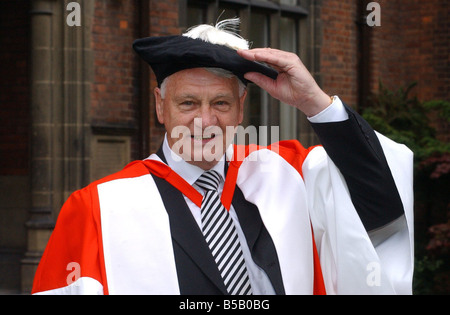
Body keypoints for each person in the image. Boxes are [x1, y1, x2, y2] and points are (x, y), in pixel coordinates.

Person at [31, 19, 414, 295]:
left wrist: (316, 104)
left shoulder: (290, 172)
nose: (205, 120)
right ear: (160, 106)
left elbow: (382, 207)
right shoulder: (97, 207)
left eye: (220, 103)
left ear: (241, 108)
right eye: (187, 103)